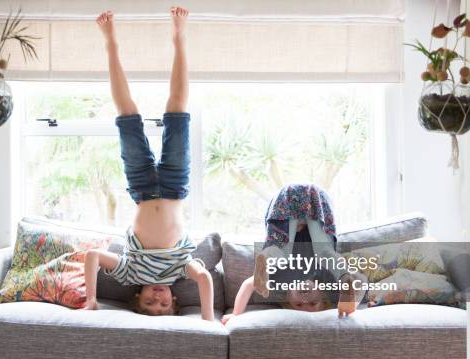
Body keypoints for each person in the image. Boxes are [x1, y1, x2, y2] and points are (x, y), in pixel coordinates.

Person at [83, 7, 215, 321]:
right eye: (164, 305)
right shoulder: (182, 269)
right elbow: (206, 278)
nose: (157, 299)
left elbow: (91, 256)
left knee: (126, 115)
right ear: (174, 300)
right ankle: (180, 38)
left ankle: (111, 43)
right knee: (177, 111)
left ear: (137, 296)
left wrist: (91, 299)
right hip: (174, 186)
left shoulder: (129, 273)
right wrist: (209, 319)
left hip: (141, 188)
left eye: (149, 304)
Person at [222, 184, 366, 324]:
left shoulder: (281, 282)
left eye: (299, 305)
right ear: (322, 295)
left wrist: (236, 314)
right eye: (313, 303)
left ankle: (267, 257)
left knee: (282, 252)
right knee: (324, 253)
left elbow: (249, 285)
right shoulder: (326, 278)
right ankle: (345, 276)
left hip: (287, 199)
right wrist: (351, 300)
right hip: (315, 200)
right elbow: (361, 279)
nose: (305, 300)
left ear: (288, 299)